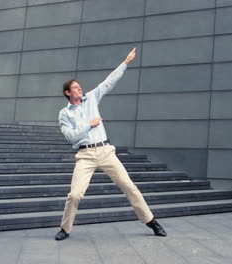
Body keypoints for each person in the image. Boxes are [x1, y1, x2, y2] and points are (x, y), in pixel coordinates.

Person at [55, 48, 167, 241]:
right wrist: (89, 125)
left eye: (79, 86)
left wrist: (125, 62)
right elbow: (70, 137)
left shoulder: (91, 98)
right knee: (74, 195)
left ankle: (151, 221)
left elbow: (109, 82)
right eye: (75, 87)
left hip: (106, 151)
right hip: (85, 155)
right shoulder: (65, 114)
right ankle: (65, 229)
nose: (79, 88)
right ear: (67, 92)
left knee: (129, 186)